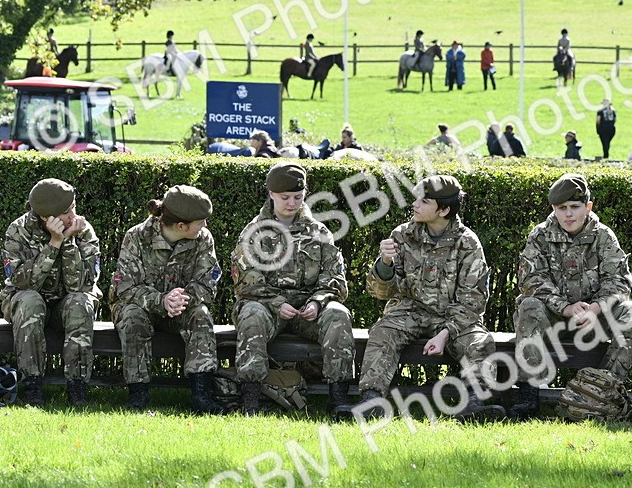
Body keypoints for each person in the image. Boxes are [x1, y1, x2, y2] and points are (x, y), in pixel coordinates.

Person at [357, 176, 506, 421]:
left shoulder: (467, 243)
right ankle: (371, 400)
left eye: (424, 201)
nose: (415, 204)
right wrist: (384, 264)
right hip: (408, 312)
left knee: (479, 342)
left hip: (453, 318)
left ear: (444, 210)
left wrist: (445, 332)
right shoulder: (403, 235)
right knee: (382, 332)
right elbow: (381, 293)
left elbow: (473, 300)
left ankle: (475, 404)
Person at [514, 174, 632, 420]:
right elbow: (531, 280)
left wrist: (596, 308)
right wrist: (564, 307)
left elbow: (619, 281)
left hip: (594, 320)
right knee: (529, 305)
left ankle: (604, 388)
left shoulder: (603, 236)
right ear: (553, 209)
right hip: (554, 318)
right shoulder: (540, 235)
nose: (568, 214)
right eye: (561, 208)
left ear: (588, 207)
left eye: (575, 207)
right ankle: (527, 395)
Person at [232, 162, 356, 416]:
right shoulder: (253, 232)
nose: (292, 203)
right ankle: (251, 399)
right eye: (285, 197)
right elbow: (246, 282)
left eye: (298, 197)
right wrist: (277, 303)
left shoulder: (319, 232)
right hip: (267, 306)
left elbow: (335, 276)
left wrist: (318, 301)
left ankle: (339, 398)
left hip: (307, 310)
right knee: (251, 315)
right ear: (271, 194)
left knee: (338, 314)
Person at [110, 185, 224, 414]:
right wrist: (161, 301)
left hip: (181, 308)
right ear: (181, 226)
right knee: (133, 317)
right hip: (141, 307)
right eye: (201, 221)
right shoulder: (137, 237)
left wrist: (181, 299)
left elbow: (207, 283)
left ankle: (201, 394)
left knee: (200, 315)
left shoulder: (202, 239)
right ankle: (138, 395)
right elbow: (125, 288)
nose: (205, 226)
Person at [0, 178, 101, 408]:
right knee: (29, 301)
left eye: (73, 207)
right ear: (47, 217)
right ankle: (32, 386)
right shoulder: (18, 231)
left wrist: (68, 242)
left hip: (66, 303)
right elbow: (24, 284)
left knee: (80, 302)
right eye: (67, 212)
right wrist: (53, 243)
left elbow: (81, 285)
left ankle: (78, 388)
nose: (73, 216)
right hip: (29, 304)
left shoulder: (82, 230)